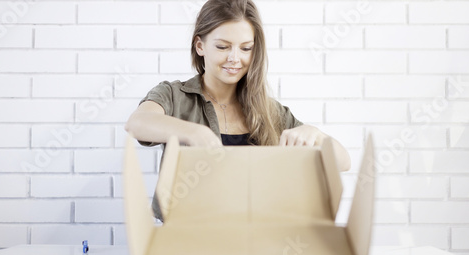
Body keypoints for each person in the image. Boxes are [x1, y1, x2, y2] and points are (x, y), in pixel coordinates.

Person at [126, 0, 350, 167]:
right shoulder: (174, 96)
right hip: (188, 227)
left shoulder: (268, 110)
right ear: (200, 46)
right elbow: (137, 123)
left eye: (245, 48)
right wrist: (194, 133)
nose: (235, 58)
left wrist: (314, 134)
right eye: (223, 47)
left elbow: (342, 161)